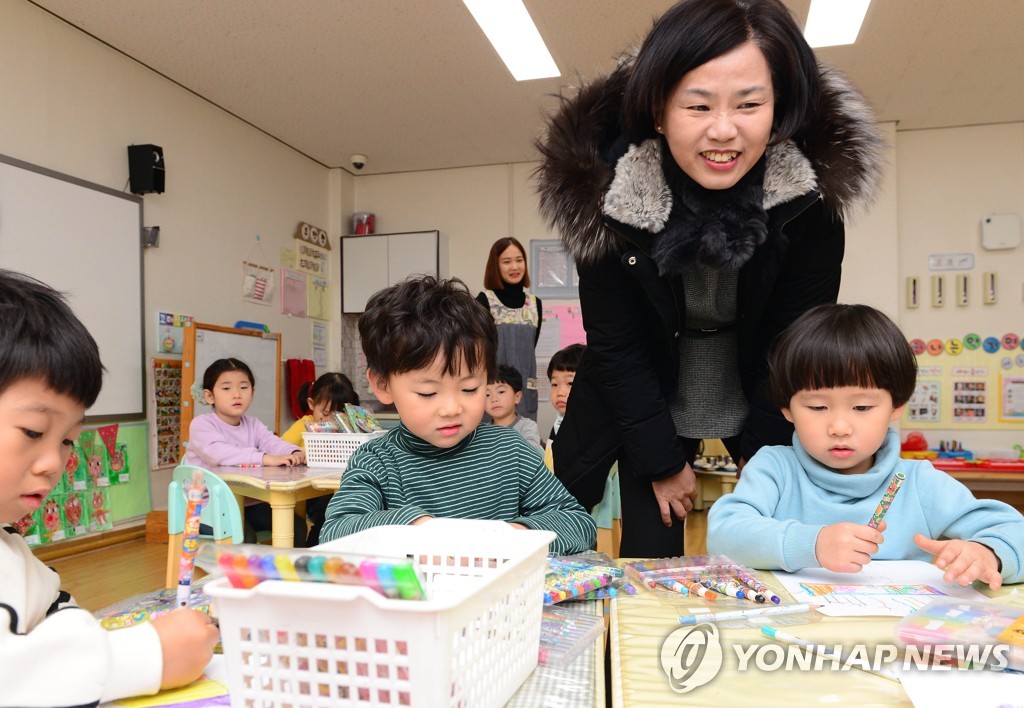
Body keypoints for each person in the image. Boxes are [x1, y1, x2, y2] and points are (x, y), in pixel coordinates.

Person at [535, 0, 884, 557]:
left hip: (760, 383)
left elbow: (789, 340)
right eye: (697, 106)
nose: (724, 131)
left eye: (750, 104)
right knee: (649, 550)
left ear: (780, 108)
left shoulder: (810, 198)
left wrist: (764, 450)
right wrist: (661, 461)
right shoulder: (605, 193)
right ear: (657, 110)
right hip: (644, 388)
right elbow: (619, 346)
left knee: (771, 545)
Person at [0, 269, 218, 704]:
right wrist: (149, 655)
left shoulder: (12, 549)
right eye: (32, 431)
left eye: (66, 441)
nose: (52, 464)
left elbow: (54, 610)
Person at [707, 304, 1024, 588]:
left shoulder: (918, 482)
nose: (840, 428)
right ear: (787, 409)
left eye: (861, 408)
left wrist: (989, 553)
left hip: (895, 643)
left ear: (897, 405)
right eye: (818, 407)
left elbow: (1014, 531)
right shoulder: (774, 469)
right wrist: (812, 544)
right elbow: (724, 535)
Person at [321, 276, 595, 555]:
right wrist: (416, 526)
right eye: (428, 393)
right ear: (382, 384)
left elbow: (578, 523)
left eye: (469, 388)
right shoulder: (377, 462)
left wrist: (516, 534)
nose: (452, 408)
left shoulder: (511, 451)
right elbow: (336, 533)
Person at [183, 358, 308, 545]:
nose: (236, 395)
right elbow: (220, 454)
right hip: (208, 506)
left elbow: (272, 442)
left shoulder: (253, 424)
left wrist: (294, 451)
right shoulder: (202, 425)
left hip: (250, 502)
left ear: (252, 392)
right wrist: (264, 458)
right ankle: (242, 575)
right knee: (244, 537)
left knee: (295, 526)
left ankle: (288, 574)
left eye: (243, 387)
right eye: (226, 389)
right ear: (209, 396)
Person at [281, 371, 360, 545]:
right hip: (312, 492)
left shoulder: (349, 428)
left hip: (340, 488)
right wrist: (299, 454)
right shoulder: (304, 424)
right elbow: (280, 448)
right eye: (325, 413)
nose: (330, 420)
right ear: (311, 404)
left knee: (349, 511)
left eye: (339, 415)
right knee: (328, 513)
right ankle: (314, 550)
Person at [476, 237, 542, 422]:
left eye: (519, 260)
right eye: (507, 261)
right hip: (493, 394)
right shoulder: (483, 301)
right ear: (495, 266)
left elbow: (531, 347)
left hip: (525, 393)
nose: (515, 267)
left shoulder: (535, 304)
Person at [486, 364, 542, 452]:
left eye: (501, 392)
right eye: (487, 394)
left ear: (517, 397)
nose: (494, 399)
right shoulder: (482, 432)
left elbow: (531, 454)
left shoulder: (527, 426)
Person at [546, 343, 586, 448]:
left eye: (570, 383)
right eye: (554, 384)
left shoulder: (593, 428)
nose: (560, 392)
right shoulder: (558, 424)